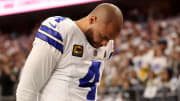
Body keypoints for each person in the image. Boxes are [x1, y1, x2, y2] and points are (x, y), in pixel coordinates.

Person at [16, 3, 123, 101]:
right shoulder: (62, 31)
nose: (105, 43)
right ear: (92, 20)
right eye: (103, 36)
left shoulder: (107, 45)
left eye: (109, 39)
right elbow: (27, 89)